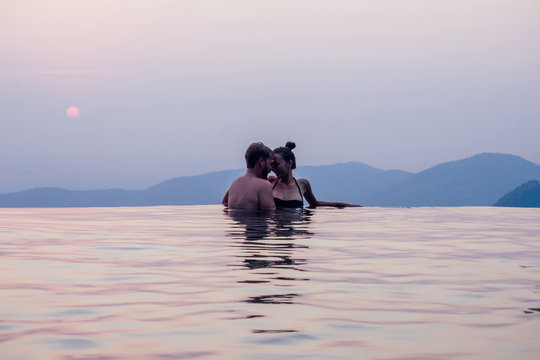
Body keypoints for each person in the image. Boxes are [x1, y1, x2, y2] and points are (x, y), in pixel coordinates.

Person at [269, 142, 362, 208]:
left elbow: (315, 204)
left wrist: (347, 206)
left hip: (294, 233)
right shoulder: (269, 182)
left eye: (276, 164)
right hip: (273, 234)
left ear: (289, 163)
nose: (273, 168)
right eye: (271, 164)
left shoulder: (303, 184)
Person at [222, 142, 276, 210]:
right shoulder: (264, 185)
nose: (271, 169)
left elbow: (224, 207)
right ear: (261, 161)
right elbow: (269, 217)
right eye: (271, 164)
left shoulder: (235, 184)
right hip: (254, 220)